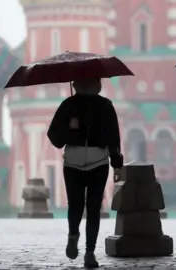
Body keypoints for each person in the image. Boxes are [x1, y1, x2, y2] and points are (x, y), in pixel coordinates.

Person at [47, 78, 123, 268]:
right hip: (79, 163)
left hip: (94, 162)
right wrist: (70, 129)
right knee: (79, 206)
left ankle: (89, 251)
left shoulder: (104, 106)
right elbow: (55, 136)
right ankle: (74, 236)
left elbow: (113, 136)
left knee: (91, 207)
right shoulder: (69, 106)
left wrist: (116, 162)